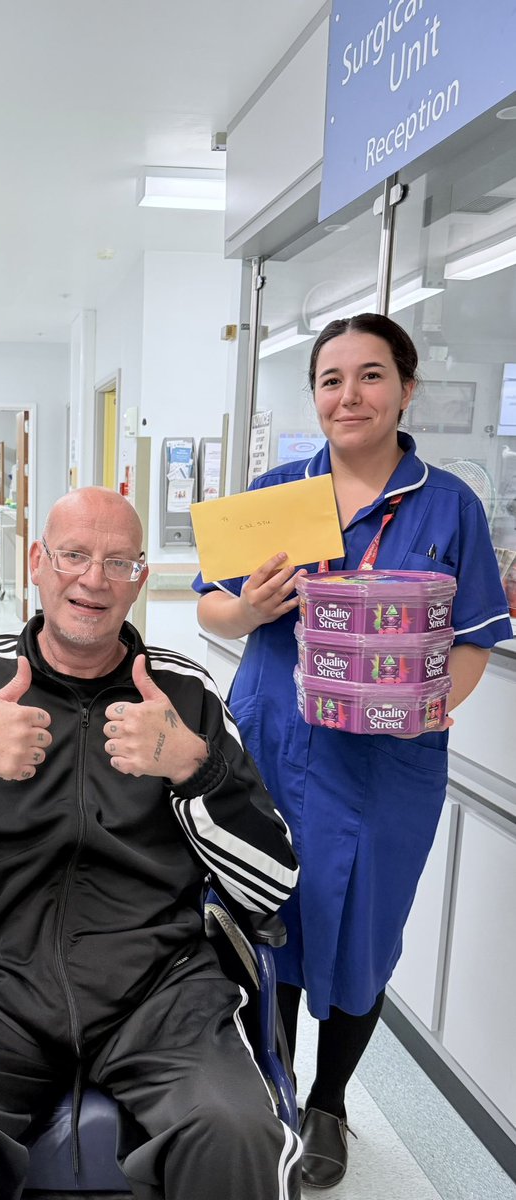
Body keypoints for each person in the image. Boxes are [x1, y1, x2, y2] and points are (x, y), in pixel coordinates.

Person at [0, 486, 302, 1200]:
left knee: (234, 1127)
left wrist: (194, 770)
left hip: (160, 987)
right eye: (73, 555)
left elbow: (272, 884)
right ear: (37, 562)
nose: (93, 580)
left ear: (139, 579)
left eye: (117, 563)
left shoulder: (185, 693)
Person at [195, 314, 512, 1189]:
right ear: (314, 396)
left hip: (387, 768)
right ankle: (271, 1091)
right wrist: (250, 608)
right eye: (330, 379)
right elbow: (210, 605)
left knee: (362, 936)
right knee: (265, 921)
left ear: (405, 388)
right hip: (274, 743)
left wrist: (421, 709)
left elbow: (474, 639)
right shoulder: (276, 494)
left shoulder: (447, 506)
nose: (349, 396)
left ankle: (328, 1103)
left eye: (370, 375)